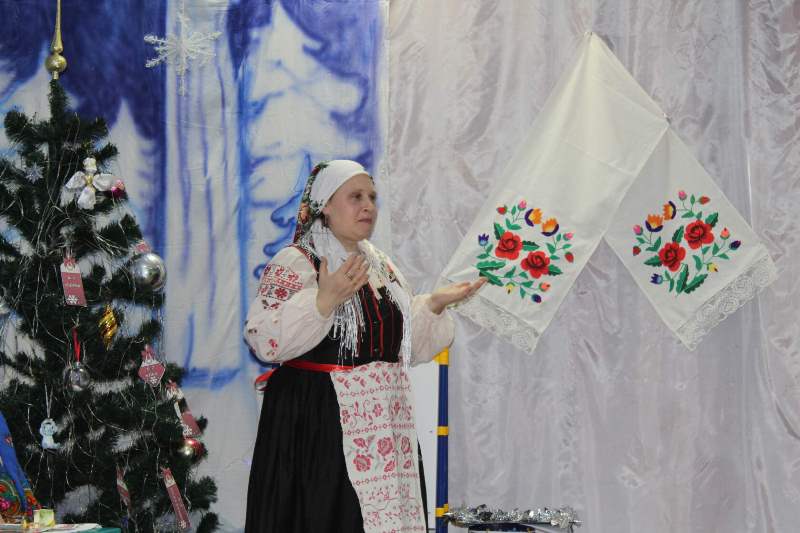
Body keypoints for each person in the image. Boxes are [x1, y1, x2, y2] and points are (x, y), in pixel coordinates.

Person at [243, 160, 484, 533]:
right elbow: (263, 338)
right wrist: (323, 301)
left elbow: (403, 346)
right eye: (355, 197)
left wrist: (434, 304)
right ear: (325, 205)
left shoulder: (380, 266)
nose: (368, 206)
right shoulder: (297, 261)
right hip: (319, 425)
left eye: (371, 197)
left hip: (383, 425)